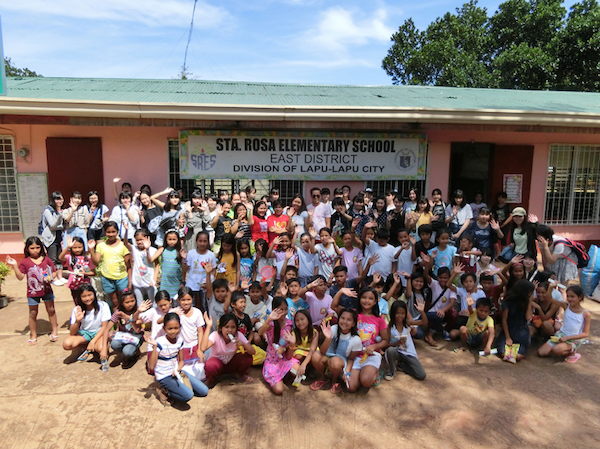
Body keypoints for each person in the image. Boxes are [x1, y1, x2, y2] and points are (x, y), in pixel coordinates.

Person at [147, 312, 209, 404]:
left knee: (204, 391)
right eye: (170, 328)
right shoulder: (159, 342)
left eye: (176, 328)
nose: (173, 331)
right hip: (165, 376)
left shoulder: (180, 340)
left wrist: (178, 369)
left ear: (180, 327)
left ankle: (179, 389)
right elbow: (152, 366)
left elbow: (181, 361)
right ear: (164, 328)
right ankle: (164, 390)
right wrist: (155, 347)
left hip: (177, 372)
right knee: (189, 395)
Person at [6, 237, 59, 345]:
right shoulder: (25, 262)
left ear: (41, 248)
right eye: (32, 248)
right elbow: (20, 277)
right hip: (32, 292)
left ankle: (54, 330)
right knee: (33, 313)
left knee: (51, 310)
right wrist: (15, 265)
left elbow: (54, 272)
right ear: (27, 248)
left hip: (47, 290)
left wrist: (50, 277)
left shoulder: (47, 260)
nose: (35, 250)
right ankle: (33, 334)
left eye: (38, 247)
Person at [347, 287, 389, 392]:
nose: (366, 301)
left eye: (370, 298)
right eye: (364, 297)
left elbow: (385, 340)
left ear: (375, 301)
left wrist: (374, 346)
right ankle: (363, 374)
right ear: (359, 299)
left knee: (365, 381)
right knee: (351, 387)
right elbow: (334, 307)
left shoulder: (379, 319)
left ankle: (375, 371)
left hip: (371, 356)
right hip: (355, 356)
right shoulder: (354, 315)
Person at [311, 309, 361, 393]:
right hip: (327, 357)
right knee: (316, 355)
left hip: (340, 362)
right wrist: (328, 338)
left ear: (353, 324)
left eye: (349, 320)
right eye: (342, 318)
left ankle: (335, 380)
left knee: (335, 362)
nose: (344, 321)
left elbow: (351, 359)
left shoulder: (356, 340)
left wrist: (347, 372)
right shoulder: (334, 329)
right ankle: (323, 377)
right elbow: (322, 352)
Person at [62, 284, 111, 372]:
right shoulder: (77, 309)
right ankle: (86, 345)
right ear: (80, 298)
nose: (87, 298)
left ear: (94, 294)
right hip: (84, 333)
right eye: (84, 296)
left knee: (100, 348)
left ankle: (97, 344)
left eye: (89, 295)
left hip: (99, 332)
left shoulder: (103, 305)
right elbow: (72, 333)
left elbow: (104, 327)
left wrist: (93, 340)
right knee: (67, 344)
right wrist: (77, 320)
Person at [537, 285, 591, 363]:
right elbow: (549, 298)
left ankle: (572, 351)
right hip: (561, 334)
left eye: (572, 296)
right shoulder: (566, 306)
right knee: (541, 353)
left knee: (557, 350)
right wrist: (551, 287)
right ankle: (562, 348)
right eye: (568, 296)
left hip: (573, 338)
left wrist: (568, 338)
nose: (569, 299)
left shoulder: (586, 314)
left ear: (580, 297)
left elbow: (585, 334)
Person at [201, 312, 255, 387]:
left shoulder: (238, 335)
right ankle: (211, 380)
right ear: (220, 328)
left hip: (230, 364)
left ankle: (238, 375)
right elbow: (203, 348)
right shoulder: (215, 335)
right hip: (217, 365)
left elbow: (253, 352)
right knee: (210, 364)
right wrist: (209, 326)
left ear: (236, 328)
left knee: (247, 357)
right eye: (226, 327)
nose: (229, 330)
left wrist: (243, 344)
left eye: (233, 327)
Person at [258, 297, 298, 395]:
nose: (284, 312)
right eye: (281, 309)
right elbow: (260, 332)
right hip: (272, 360)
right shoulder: (271, 324)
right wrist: (269, 319)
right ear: (274, 310)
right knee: (279, 390)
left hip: (284, 357)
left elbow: (288, 352)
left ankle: (285, 377)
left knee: (298, 371)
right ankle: (276, 378)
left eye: (286, 309)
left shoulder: (289, 324)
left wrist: (289, 346)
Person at [88, 221, 131, 309]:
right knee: (114, 302)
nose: (111, 234)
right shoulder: (101, 245)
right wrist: (91, 250)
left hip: (121, 278)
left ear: (117, 232)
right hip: (107, 278)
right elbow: (96, 262)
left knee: (123, 301)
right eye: (108, 232)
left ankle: (125, 321)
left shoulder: (123, 246)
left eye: (113, 232)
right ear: (104, 232)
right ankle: (116, 321)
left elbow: (129, 265)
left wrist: (130, 282)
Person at [384, 300, 426, 381]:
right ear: (393, 313)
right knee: (390, 350)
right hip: (397, 352)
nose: (400, 316)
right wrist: (397, 343)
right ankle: (392, 370)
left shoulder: (407, 323)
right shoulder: (390, 327)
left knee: (421, 375)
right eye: (397, 313)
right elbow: (386, 345)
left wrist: (422, 312)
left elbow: (424, 322)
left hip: (409, 353)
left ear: (406, 314)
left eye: (403, 313)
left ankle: (402, 366)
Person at [496, 279, 535, 362]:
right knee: (503, 352)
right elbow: (504, 320)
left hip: (522, 332)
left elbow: (528, 317)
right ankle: (508, 353)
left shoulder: (526, 302)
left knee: (518, 356)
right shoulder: (508, 302)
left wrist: (529, 301)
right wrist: (508, 337)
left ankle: (510, 354)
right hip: (509, 329)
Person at [136, 291, 172, 374]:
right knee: (153, 370)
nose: (163, 307)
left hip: (169, 346)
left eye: (165, 304)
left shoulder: (175, 311)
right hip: (154, 345)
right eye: (160, 305)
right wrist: (138, 311)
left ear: (170, 301)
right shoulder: (154, 311)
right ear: (156, 304)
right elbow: (137, 320)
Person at [109, 289, 144, 368]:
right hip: (123, 336)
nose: (130, 304)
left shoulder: (138, 311)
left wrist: (127, 317)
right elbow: (107, 328)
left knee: (127, 352)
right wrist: (104, 348)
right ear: (122, 303)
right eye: (127, 302)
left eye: (132, 301)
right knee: (114, 344)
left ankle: (132, 353)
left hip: (136, 337)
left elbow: (138, 330)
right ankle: (128, 353)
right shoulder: (118, 312)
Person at [40, 191, 66, 285]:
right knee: (52, 259)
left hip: (59, 237)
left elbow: (63, 224)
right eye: (58, 199)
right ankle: (53, 278)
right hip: (50, 238)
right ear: (53, 200)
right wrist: (59, 215)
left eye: (61, 199)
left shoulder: (62, 210)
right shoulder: (48, 210)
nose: (60, 201)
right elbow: (52, 226)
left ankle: (60, 276)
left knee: (59, 258)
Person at [59, 236, 95, 302]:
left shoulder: (87, 258)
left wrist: (84, 273)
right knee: (77, 301)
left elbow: (93, 273)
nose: (77, 249)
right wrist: (67, 247)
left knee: (86, 301)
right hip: (74, 285)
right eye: (74, 247)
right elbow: (60, 257)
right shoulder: (69, 257)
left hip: (85, 284)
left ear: (83, 247)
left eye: (80, 247)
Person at [287, 309, 318, 386]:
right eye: (297, 320)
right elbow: (290, 350)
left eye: (302, 319)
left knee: (315, 356)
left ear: (308, 319)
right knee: (297, 355)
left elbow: (312, 351)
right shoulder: (294, 333)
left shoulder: (314, 333)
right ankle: (301, 373)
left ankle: (311, 370)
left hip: (311, 353)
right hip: (299, 354)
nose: (300, 322)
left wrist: (303, 365)